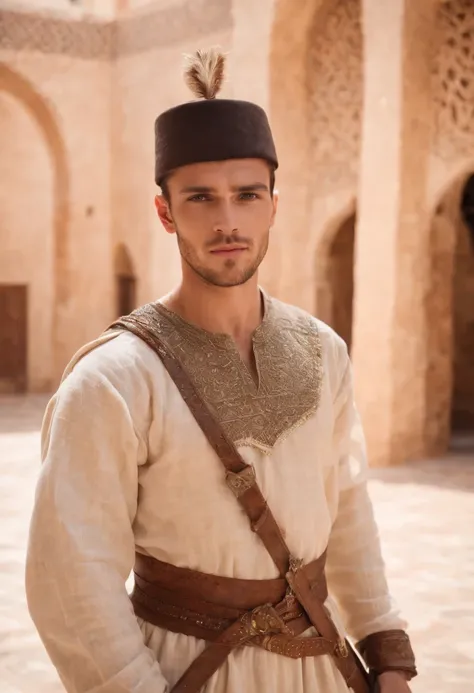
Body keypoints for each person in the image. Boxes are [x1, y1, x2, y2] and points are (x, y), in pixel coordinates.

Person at [26, 49, 417, 693]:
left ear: (272, 205)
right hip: (184, 671)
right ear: (165, 212)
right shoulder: (113, 381)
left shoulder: (323, 351)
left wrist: (388, 655)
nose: (227, 220)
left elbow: (348, 512)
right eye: (201, 197)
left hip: (319, 668)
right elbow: (71, 579)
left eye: (246, 195)